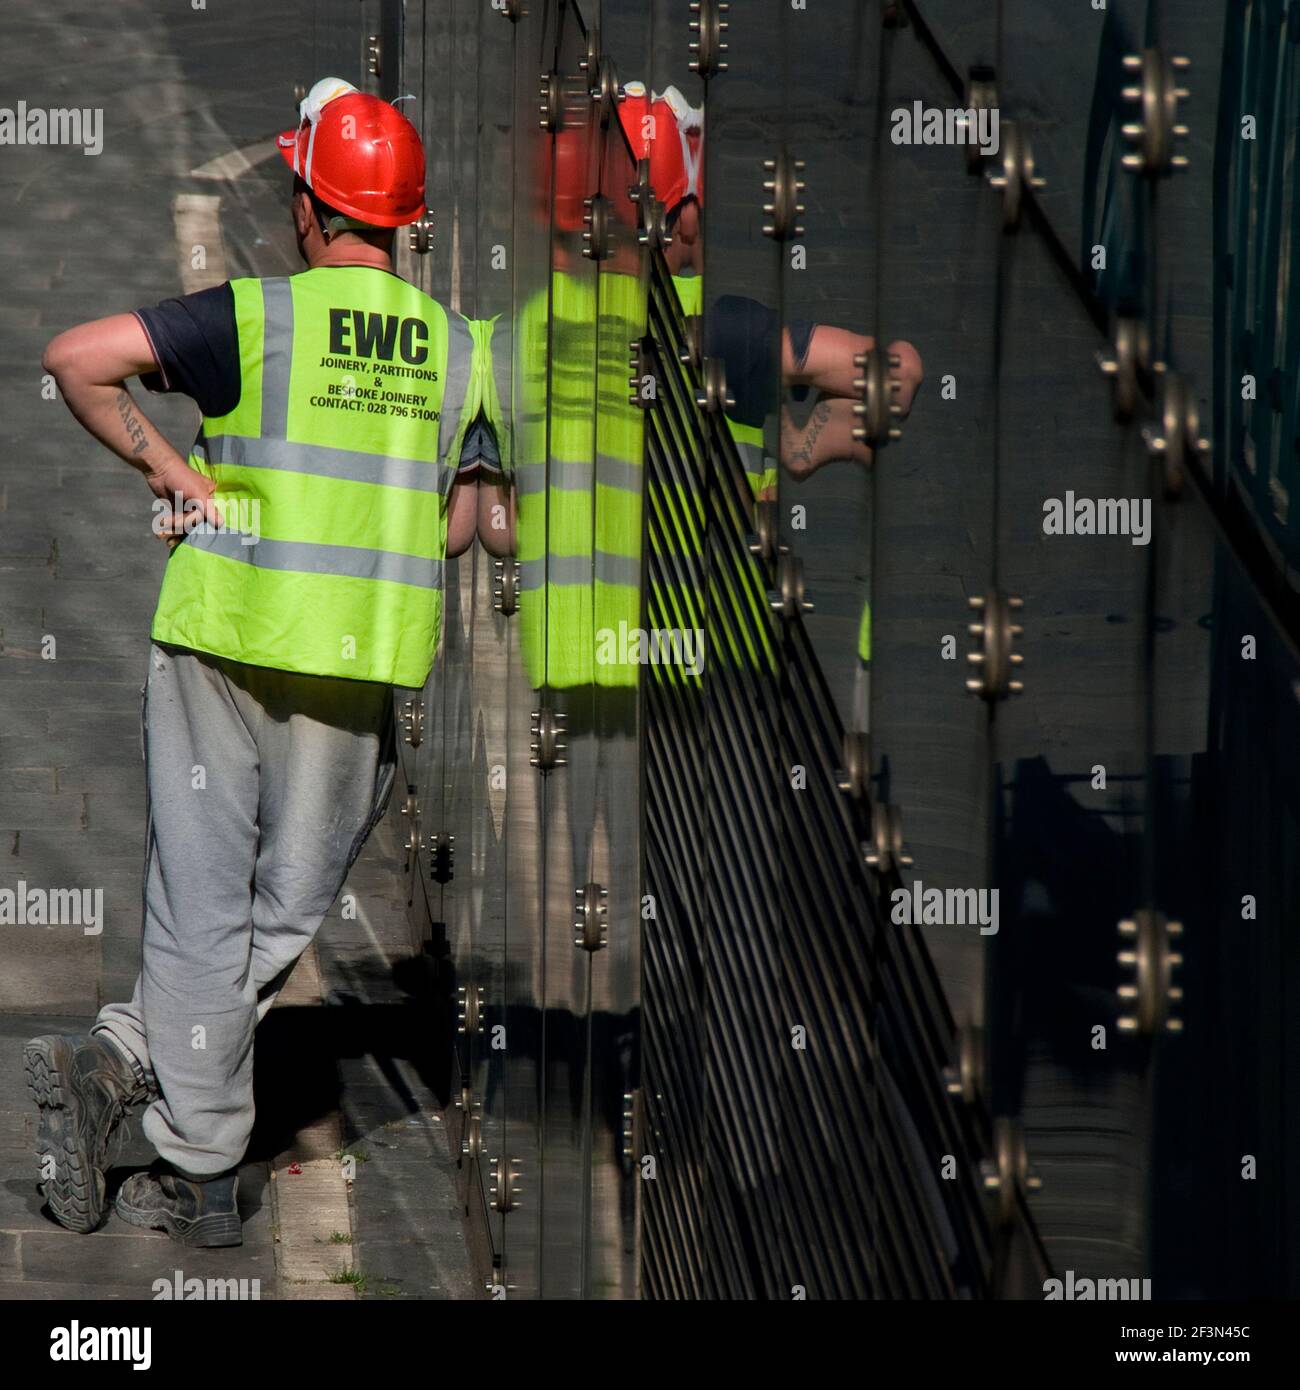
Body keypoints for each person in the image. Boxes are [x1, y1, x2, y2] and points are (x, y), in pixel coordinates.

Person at [25, 78, 491, 1247]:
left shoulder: (253, 316)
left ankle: (128, 1066)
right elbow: (478, 516)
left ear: (304, 205)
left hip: (219, 638)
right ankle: (191, 1157)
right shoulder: (463, 356)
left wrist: (171, 476)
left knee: (198, 901)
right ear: (406, 221)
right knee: (282, 914)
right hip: (349, 666)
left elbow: (77, 359)